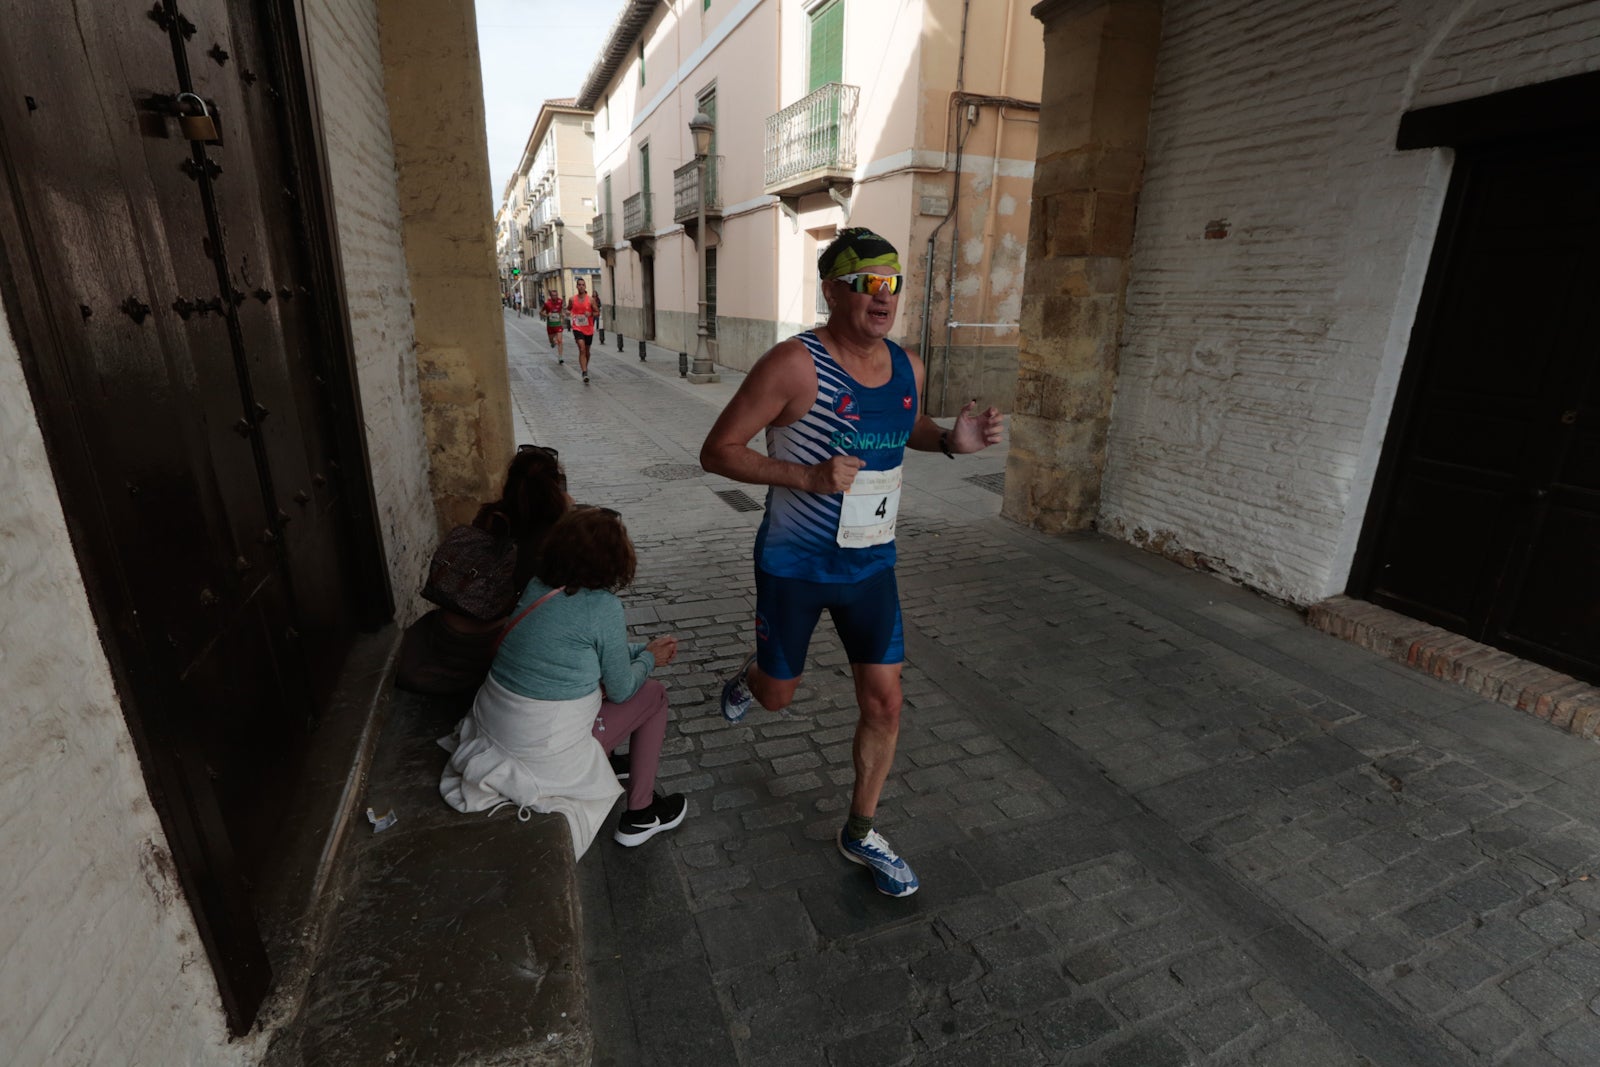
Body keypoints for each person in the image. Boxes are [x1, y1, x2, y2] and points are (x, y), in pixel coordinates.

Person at [698, 227, 1003, 897]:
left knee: (886, 703)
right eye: (866, 282)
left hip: (871, 565)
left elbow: (906, 424)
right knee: (781, 697)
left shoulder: (908, 366)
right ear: (832, 290)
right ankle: (749, 681)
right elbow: (718, 449)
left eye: (892, 282)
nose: (882, 295)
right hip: (795, 566)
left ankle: (860, 829)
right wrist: (805, 477)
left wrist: (950, 439)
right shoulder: (793, 365)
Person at [438, 506, 688, 855]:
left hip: (495, 725)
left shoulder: (538, 587)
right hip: (540, 747)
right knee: (653, 694)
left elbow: (586, 651)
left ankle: (614, 764)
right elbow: (622, 688)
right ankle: (641, 814)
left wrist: (638, 650)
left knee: (593, 680)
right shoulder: (602, 607)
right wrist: (649, 659)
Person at [396, 444, 569, 696]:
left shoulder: (491, 514)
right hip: (486, 645)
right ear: (556, 488)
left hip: (446, 632)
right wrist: (568, 514)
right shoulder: (553, 533)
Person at [567, 277, 601, 385]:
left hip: (588, 328)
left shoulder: (590, 300)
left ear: (585, 286)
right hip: (577, 327)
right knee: (581, 348)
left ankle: (585, 366)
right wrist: (568, 313)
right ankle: (584, 372)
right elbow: (568, 309)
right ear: (576, 286)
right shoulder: (572, 299)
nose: (581, 286)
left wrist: (590, 314)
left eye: (583, 284)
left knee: (587, 352)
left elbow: (597, 313)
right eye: (579, 284)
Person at [542, 287, 566, 364]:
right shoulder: (547, 303)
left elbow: (561, 310)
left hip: (558, 324)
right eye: (553, 295)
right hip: (550, 325)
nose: (555, 297)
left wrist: (563, 314)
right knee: (551, 340)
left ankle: (560, 357)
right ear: (551, 296)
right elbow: (541, 312)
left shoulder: (560, 301)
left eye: (556, 295)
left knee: (560, 341)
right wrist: (547, 315)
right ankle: (552, 343)